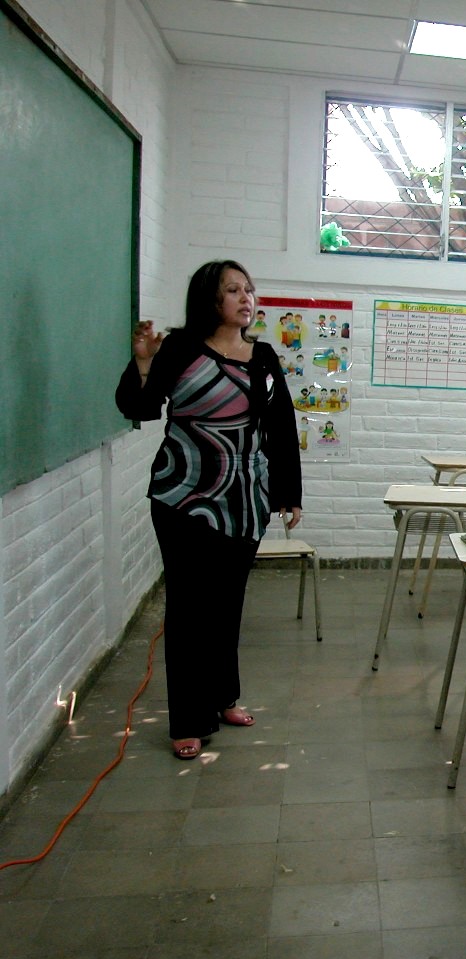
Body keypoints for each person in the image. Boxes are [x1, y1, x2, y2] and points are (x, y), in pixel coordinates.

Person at [115, 260, 302, 761]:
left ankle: (222, 699)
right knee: (189, 610)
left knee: (226, 605)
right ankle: (188, 720)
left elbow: (280, 426)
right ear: (210, 299)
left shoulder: (262, 355)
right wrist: (143, 364)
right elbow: (140, 408)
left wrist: (288, 494)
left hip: (243, 501)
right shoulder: (178, 348)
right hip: (183, 496)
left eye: (249, 289)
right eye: (233, 290)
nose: (246, 298)